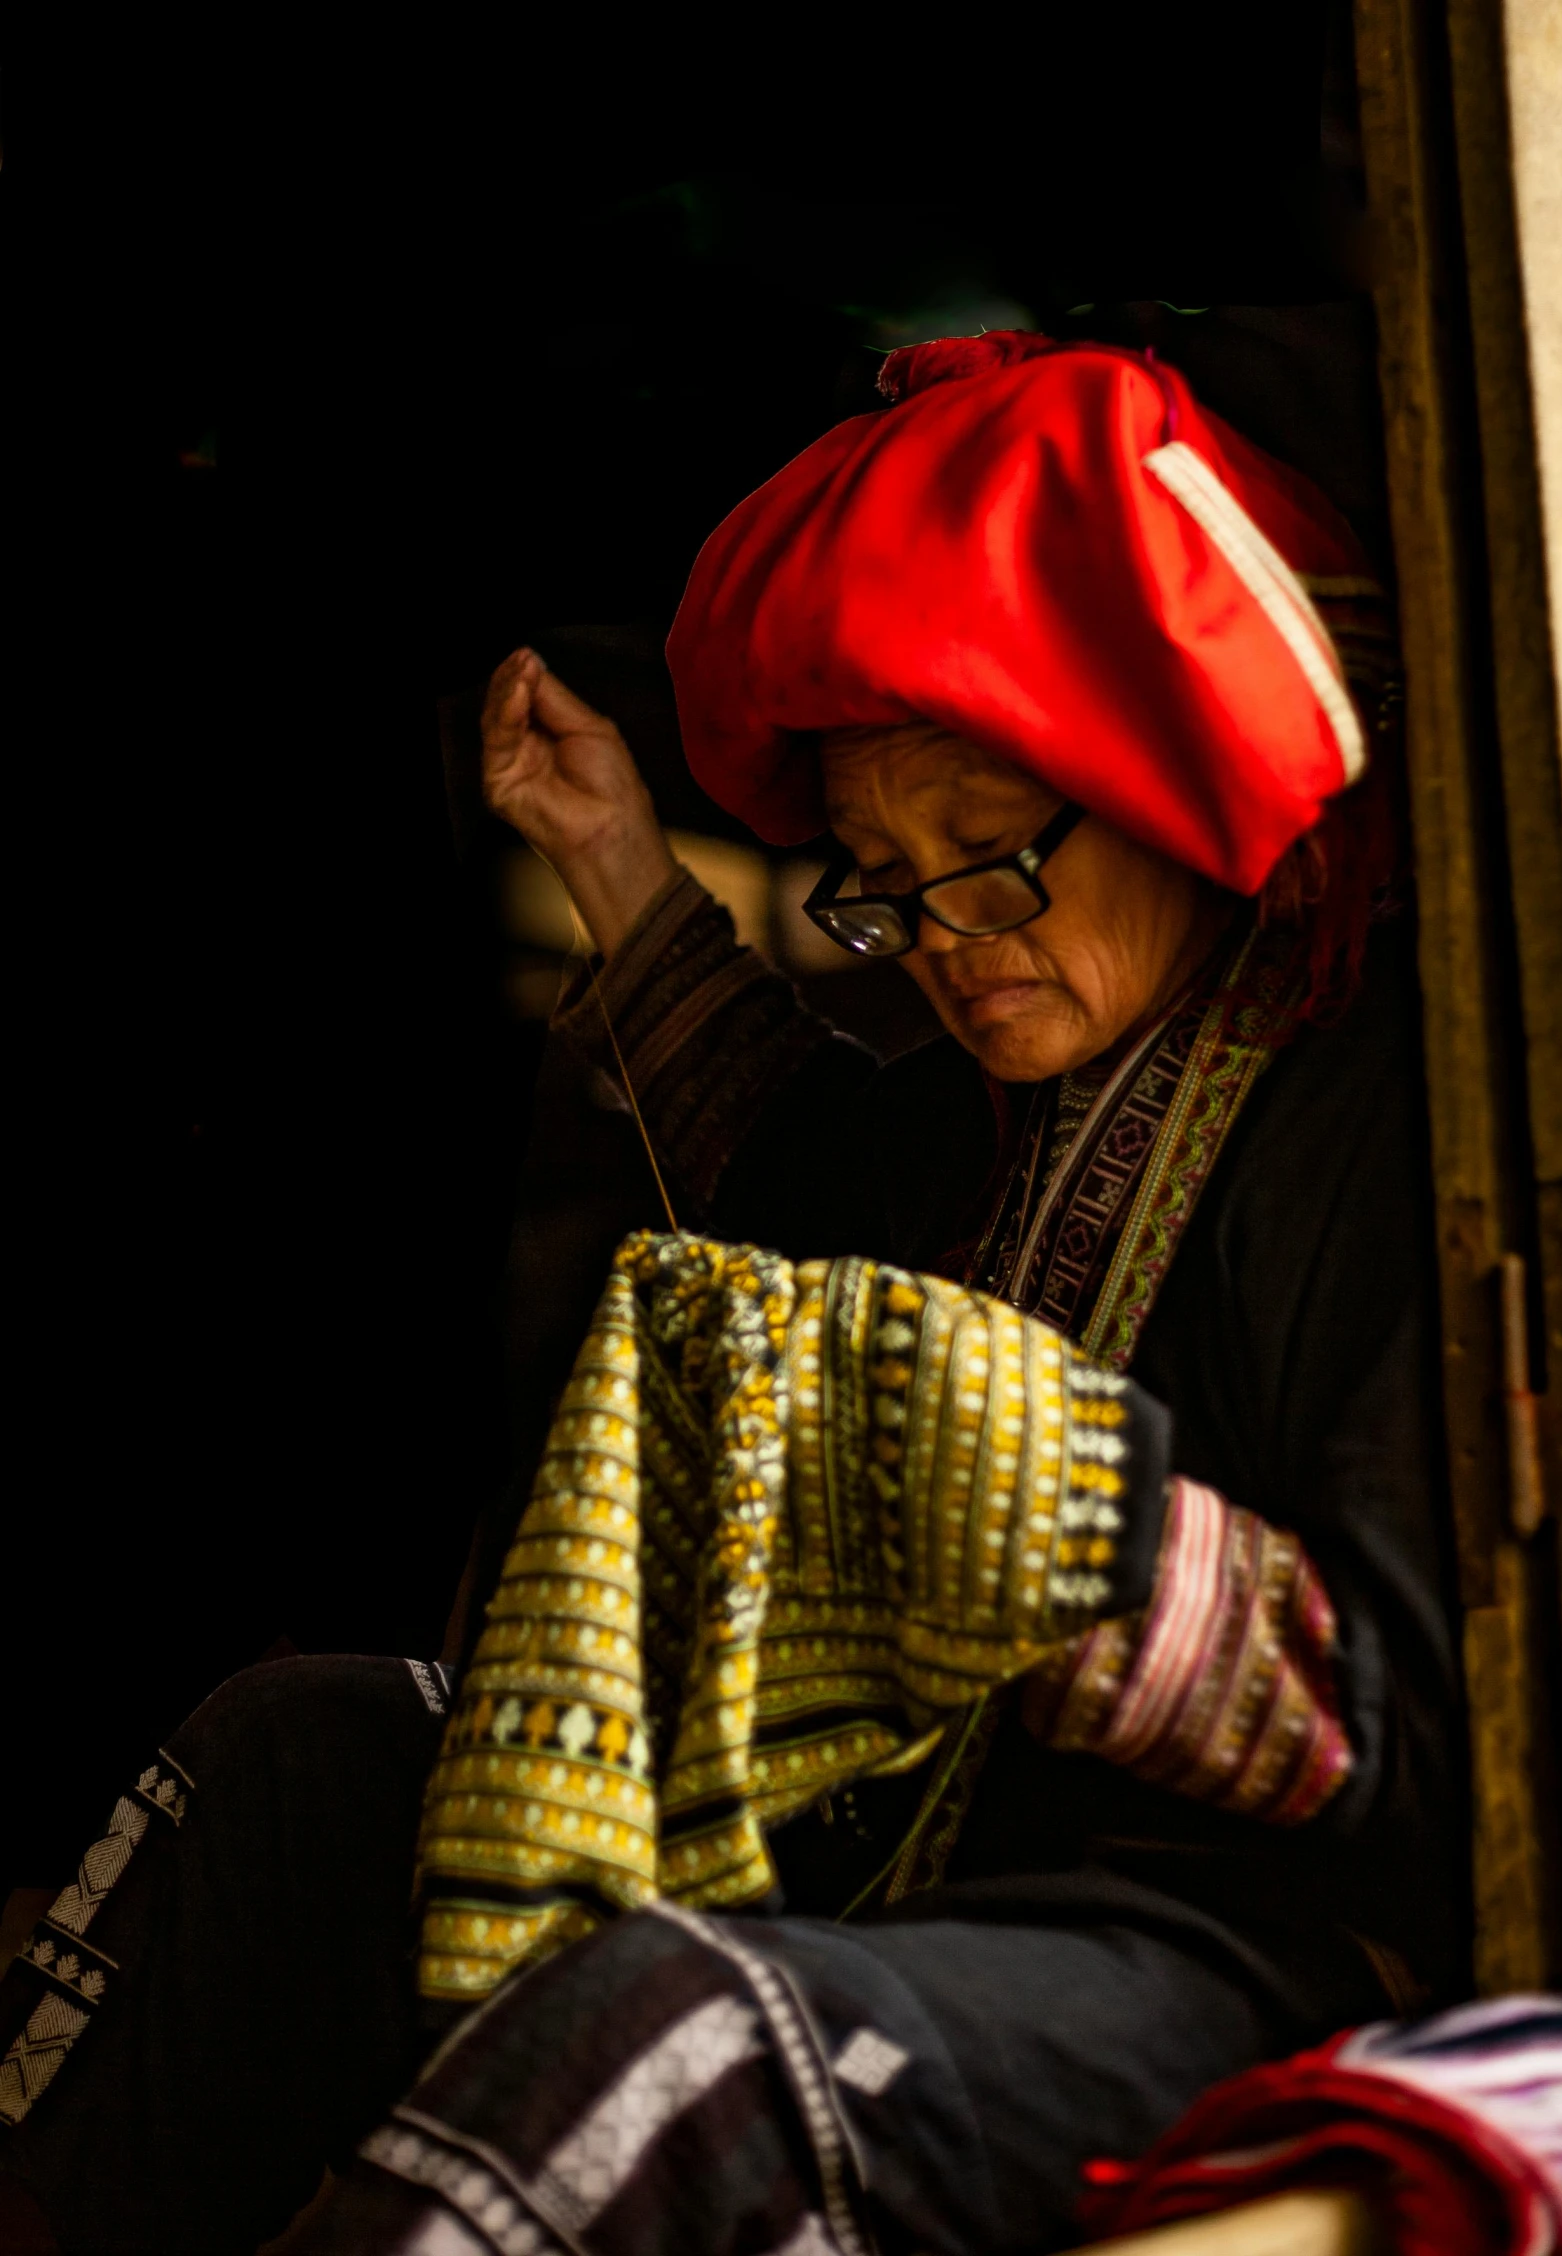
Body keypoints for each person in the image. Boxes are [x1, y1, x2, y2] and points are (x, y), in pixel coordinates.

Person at [0, 333, 1465, 2256]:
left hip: (1207, 1937)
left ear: (1165, 783)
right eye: (876, 882)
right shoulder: (1003, 1085)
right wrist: (615, 856)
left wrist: (1060, 1529)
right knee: (295, 1764)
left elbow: (1430, 1718)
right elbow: (801, 1182)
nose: (939, 943)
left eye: (989, 862)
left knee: (661, 2047)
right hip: (885, 1871)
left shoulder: (1381, 1129)